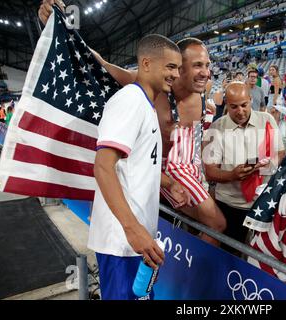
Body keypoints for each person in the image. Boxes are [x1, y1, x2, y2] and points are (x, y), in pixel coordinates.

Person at [38, 1, 226, 246]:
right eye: (198, 65)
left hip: (177, 171)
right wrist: (59, 27)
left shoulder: (203, 95)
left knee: (210, 221)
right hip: (149, 170)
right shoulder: (149, 84)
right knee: (215, 223)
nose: (206, 73)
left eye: (208, 65)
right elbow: (100, 64)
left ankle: (183, 272)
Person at [89, 34, 183, 300]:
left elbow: (140, 164)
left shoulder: (146, 105)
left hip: (137, 241)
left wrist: (170, 184)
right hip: (122, 240)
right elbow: (103, 167)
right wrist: (132, 229)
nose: (176, 74)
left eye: (178, 68)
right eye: (170, 66)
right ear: (145, 63)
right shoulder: (130, 100)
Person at [203, 82, 285, 255]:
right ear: (226, 104)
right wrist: (232, 175)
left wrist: (264, 166)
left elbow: (280, 153)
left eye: (244, 105)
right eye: (234, 107)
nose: (240, 111)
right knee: (229, 254)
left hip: (263, 203)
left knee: (260, 257)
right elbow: (210, 171)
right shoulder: (217, 128)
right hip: (230, 205)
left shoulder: (267, 120)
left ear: (250, 100)